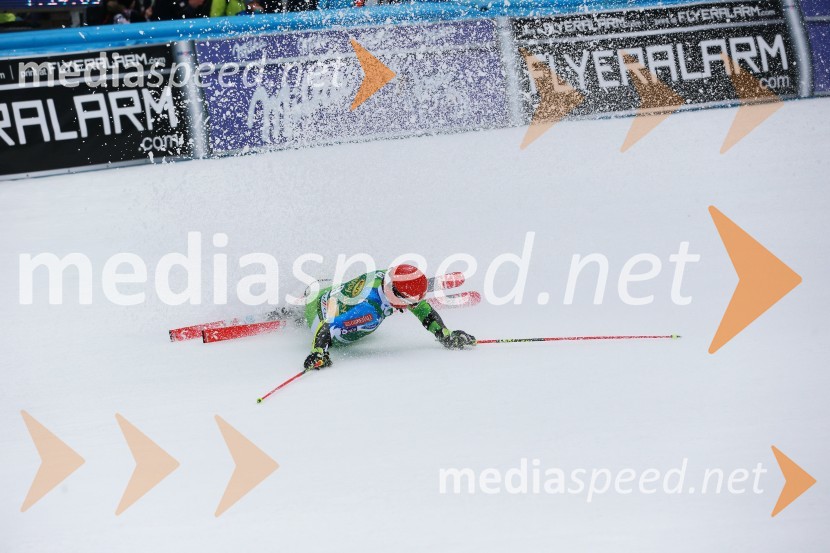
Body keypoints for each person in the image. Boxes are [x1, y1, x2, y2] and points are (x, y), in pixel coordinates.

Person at [288, 264, 476, 370]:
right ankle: (299, 316)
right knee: (369, 317)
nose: (415, 306)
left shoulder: (383, 275)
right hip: (318, 319)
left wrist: (445, 334)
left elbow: (422, 309)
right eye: (411, 303)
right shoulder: (368, 311)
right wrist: (319, 352)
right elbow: (328, 326)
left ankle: (300, 306)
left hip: (324, 293)